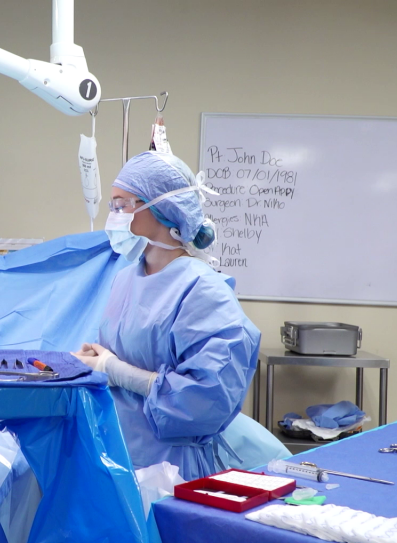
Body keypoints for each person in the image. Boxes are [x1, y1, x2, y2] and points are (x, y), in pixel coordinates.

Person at [73, 151, 288, 481]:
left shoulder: (203, 291)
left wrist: (114, 369)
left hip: (170, 468)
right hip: (118, 449)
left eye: (121, 205)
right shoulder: (125, 279)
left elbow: (205, 399)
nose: (113, 217)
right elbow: (123, 351)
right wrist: (94, 363)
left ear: (160, 209)